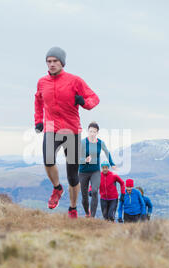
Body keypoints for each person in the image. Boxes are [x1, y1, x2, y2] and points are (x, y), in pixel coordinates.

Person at [34, 47, 100, 218]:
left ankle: (72, 207)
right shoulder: (42, 82)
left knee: (72, 175)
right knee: (48, 159)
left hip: (71, 130)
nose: (52, 64)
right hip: (51, 128)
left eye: (55, 61)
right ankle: (57, 188)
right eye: (49, 61)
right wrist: (38, 121)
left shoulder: (75, 81)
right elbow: (38, 102)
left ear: (62, 62)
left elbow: (94, 98)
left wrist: (83, 101)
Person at [79, 122, 116, 218]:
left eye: (94, 132)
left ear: (97, 132)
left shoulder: (100, 143)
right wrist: (85, 160)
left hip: (95, 171)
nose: (92, 133)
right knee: (84, 197)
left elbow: (107, 152)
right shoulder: (83, 142)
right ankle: (87, 212)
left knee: (95, 191)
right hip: (83, 172)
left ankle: (92, 217)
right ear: (88, 132)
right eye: (90, 131)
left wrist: (112, 163)